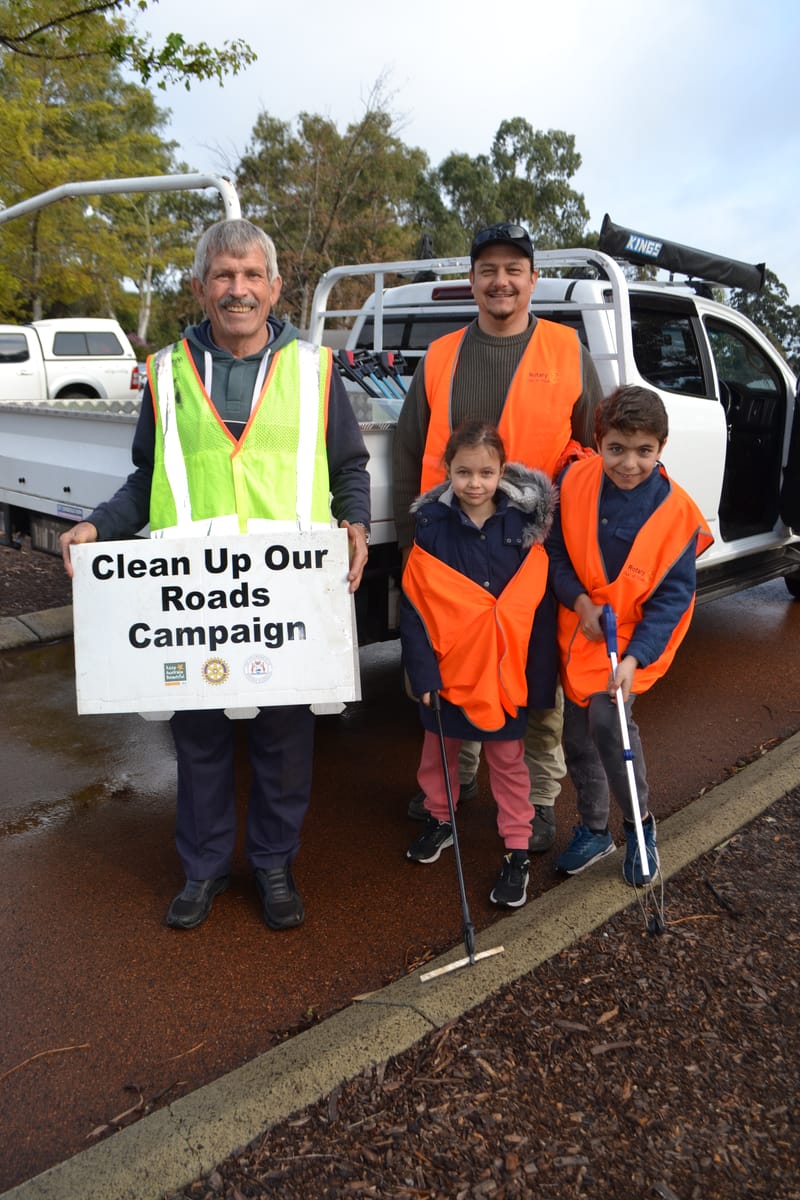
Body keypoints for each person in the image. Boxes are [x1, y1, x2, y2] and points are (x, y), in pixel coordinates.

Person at [59, 218, 371, 932]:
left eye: (251, 275)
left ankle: (272, 864)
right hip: (191, 606)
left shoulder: (315, 369)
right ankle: (202, 870)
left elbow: (348, 468)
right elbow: (147, 479)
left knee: (284, 742)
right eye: (224, 276)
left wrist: (355, 526)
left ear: (274, 286)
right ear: (200, 287)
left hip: (284, 600)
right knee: (198, 743)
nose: (238, 290)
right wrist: (98, 525)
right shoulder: (167, 371)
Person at [392, 221, 604, 852]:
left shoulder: (568, 352)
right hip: (449, 555)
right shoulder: (440, 355)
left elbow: (593, 454)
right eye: (488, 269)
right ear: (472, 281)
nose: (501, 280)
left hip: (533, 559)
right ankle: (452, 794)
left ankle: (539, 803)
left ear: (533, 280)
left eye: (515, 269)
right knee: (453, 676)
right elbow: (409, 454)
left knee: (534, 690)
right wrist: (411, 548)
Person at [547, 385, 712, 884]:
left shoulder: (676, 514)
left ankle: (640, 828)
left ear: (661, 447)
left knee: (609, 722)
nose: (629, 463)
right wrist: (578, 601)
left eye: (644, 451)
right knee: (576, 735)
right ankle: (594, 830)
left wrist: (635, 658)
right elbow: (554, 553)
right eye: (616, 449)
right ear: (599, 442)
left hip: (631, 647)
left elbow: (672, 600)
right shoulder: (575, 481)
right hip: (580, 632)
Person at [401, 421, 556, 907]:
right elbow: (417, 606)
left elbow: (538, 607)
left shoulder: (522, 528)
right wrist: (423, 674)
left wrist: (539, 680)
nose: (474, 483)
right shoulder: (432, 527)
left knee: (508, 763)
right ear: (447, 471)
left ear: (501, 472)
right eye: (463, 471)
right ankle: (440, 819)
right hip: (449, 667)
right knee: (438, 752)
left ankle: (516, 847)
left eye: (486, 472)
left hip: (505, 671)